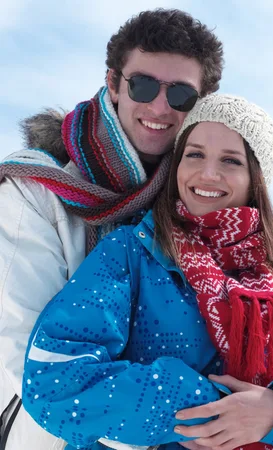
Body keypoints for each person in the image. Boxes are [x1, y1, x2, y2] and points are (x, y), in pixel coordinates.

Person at [21, 94, 273, 450]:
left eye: (231, 161)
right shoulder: (132, 253)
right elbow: (53, 381)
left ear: (256, 179)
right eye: (194, 154)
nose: (207, 173)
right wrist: (206, 409)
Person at [0, 9, 224, 450]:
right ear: (114, 83)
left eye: (180, 94)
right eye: (143, 85)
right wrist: (190, 423)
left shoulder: (201, 200)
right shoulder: (35, 193)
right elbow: (22, 359)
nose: (160, 107)